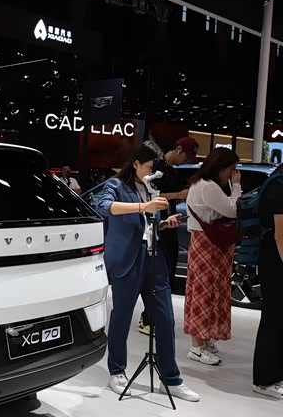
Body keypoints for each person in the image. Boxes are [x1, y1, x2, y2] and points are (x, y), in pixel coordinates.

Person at [94, 144, 199, 402]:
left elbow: (148, 226)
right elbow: (103, 206)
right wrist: (144, 207)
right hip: (128, 260)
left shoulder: (152, 188)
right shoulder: (117, 185)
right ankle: (117, 371)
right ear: (136, 164)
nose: (153, 172)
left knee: (165, 319)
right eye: (150, 167)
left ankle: (170, 379)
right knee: (122, 317)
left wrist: (164, 223)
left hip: (154, 259)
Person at [184, 148, 242, 365]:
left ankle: (203, 339)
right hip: (208, 246)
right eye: (231, 169)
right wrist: (236, 187)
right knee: (204, 293)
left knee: (208, 292)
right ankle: (196, 348)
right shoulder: (208, 187)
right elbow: (233, 209)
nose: (232, 174)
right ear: (221, 167)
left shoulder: (202, 184)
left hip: (208, 245)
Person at [137, 138, 195, 335]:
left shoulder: (173, 172)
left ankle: (156, 317)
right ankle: (148, 318)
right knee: (155, 275)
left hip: (168, 224)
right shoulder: (157, 168)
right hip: (154, 226)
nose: (187, 160)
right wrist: (178, 194)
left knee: (167, 274)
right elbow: (152, 193)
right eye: (186, 156)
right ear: (178, 149)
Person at [253, 167, 283, 398]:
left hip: (274, 256)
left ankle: (274, 375)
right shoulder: (279, 186)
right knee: (274, 318)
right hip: (275, 260)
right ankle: (265, 380)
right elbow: (280, 235)